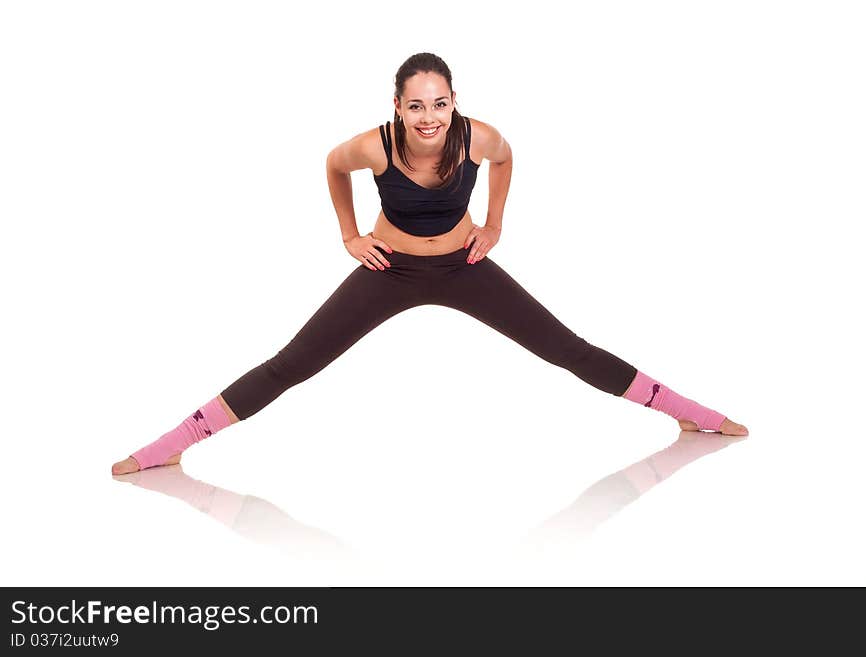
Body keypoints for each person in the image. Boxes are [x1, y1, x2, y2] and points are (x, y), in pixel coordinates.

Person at [112, 53, 748, 476]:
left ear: (453, 103)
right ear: (397, 106)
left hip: (466, 266)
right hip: (389, 271)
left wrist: (495, 223)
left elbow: (507, 160)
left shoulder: (479, 137)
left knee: (567, 349)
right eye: (415, 106)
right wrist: (349, 234)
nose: (428, 117)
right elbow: (332, 166)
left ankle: (686, 410)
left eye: (439, 104)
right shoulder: (374, 145)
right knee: (293, 364)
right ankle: (173, 446)